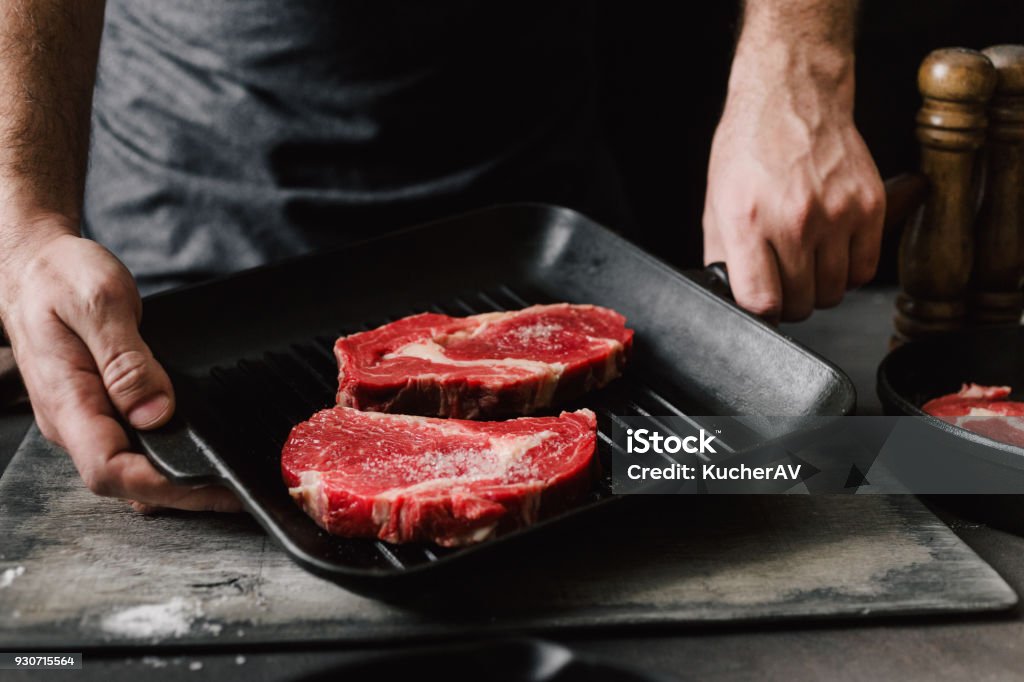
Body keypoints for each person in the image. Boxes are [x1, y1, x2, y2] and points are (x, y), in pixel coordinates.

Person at [0, 0, 883, 512]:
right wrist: (27, 227)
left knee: (816, 487)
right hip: (197, 266)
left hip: (549, 245)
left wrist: (798, 67)